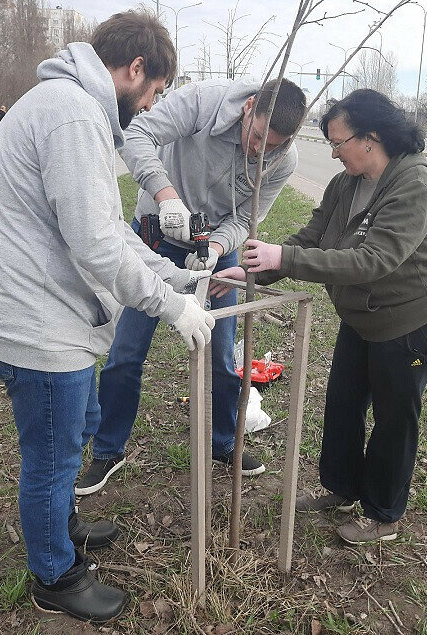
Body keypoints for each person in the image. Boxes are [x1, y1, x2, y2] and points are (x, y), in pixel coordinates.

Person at [0, 10, 214, 624]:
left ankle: (63, 527)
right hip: (37, 331)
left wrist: (180, 279)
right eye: (154, 91)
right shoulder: (73, 113)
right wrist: (169, 306)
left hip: (43, 318)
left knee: (67, 441)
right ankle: (55, 574)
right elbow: (97, 247)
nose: (150, 104)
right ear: (134, 69)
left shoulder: (69, 106)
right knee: (51, 462)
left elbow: (110, 231)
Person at [213, 89, 427, 544]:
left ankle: (383, 513)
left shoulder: (413, 184)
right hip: (363, 318)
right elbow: (311, 237)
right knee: (343, 403)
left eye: (338, 141)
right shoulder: (346, 183)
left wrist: (282, 257)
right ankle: (341, 487)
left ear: (370, 137)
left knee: (393, 418)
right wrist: (250, 270)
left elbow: (372, 261)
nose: (334, 152)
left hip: (411, 322)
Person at [75, 76, 307, 495]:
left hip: (214, 248)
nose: (260, 151)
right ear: (249, 105)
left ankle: (223, 442)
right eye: (257, 138)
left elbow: (245, 221)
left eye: (273, 146)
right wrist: (166, 196)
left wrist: (217, 247)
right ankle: (108, 450)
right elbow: (136, 134)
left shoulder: (283, 160)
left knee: (220, 354)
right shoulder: (203, 101)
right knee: (127, 351)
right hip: (154, 235)